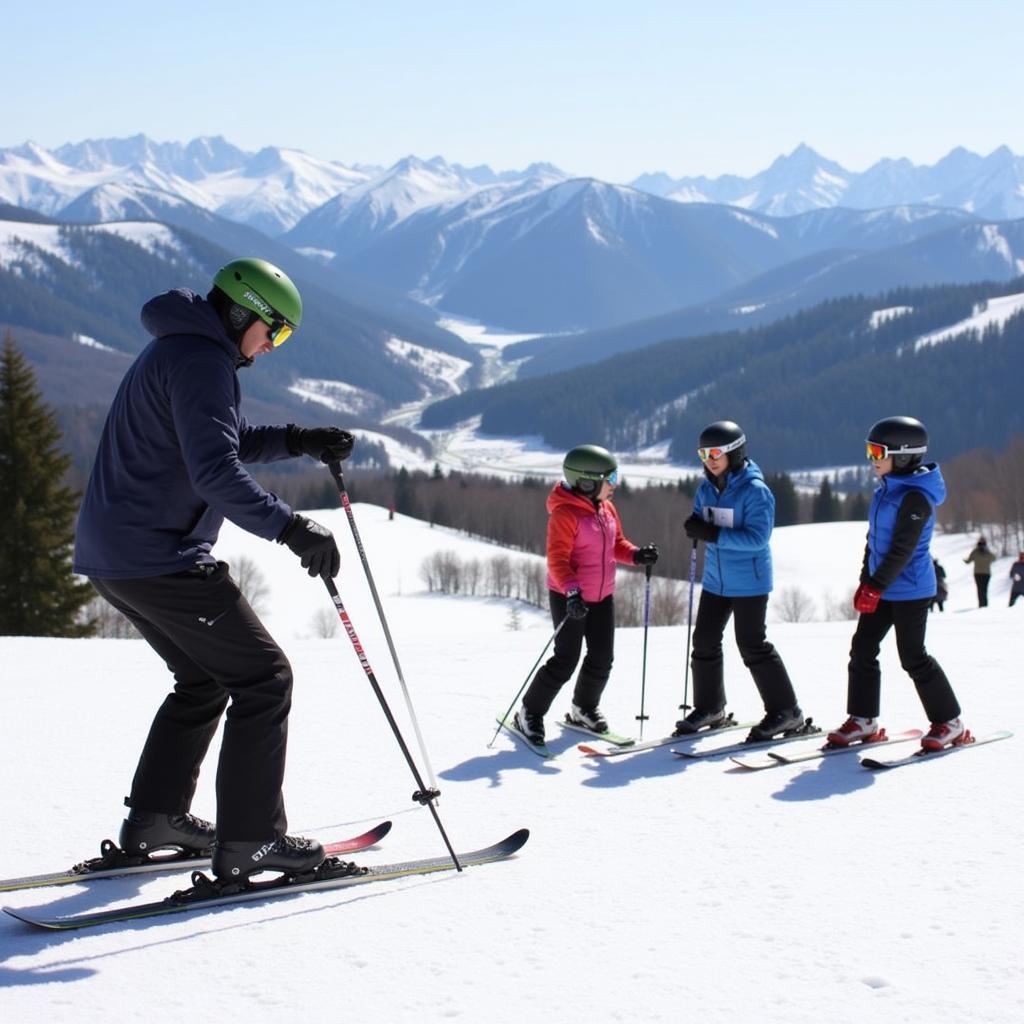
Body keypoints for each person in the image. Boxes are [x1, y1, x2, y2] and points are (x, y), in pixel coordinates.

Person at [73, 257, 356, 882]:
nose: (271, 346)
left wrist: (297, 438)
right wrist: (291, 526)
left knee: (203, 679)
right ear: (242, 312)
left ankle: (157, 819)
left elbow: (216, 439)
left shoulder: (183, 349)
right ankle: (252, 840)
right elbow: (215, 472)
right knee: (265, 678)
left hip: (116, 557)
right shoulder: (203, 361)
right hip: (159, 557)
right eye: (273, 331)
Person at [828, 416, 968, 752]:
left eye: (878, 452)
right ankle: (863, 719)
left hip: (911, 590)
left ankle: (950, 723)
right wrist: (866, 581)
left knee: (913, 656)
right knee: (862, 649)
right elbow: (873, 542)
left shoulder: (915, 499)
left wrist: (876, 585)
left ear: (903, 455)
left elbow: (902, 551)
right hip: (883, 585)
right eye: (870, 451)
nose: (872, 459)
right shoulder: (886, 491)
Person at [513, 445, 658, 744]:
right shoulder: (565, 515)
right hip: (571, 597)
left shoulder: (605, 509)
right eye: (611, 477)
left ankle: (584, 708)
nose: (615, 484)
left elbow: (617, 544)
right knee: (566, 659)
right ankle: (528, 712)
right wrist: (572, 593)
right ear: (587, 482)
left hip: (603, 595)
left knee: (602, 657)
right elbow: (557, 560)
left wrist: (637, 555)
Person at [674, 421, 806, 741]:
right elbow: (702, 522)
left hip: (750, 581)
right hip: (716, 580)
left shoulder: (755, 491)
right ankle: (710, 707)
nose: (709, 459)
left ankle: (786, 711)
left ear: (734, 452)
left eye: (716, 452)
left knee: (752, 645)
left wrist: (713, 534)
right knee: (704, 641)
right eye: (703, 453)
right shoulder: (706, 488)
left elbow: (758, 538)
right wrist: (696, 527)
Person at [964, 537, 996, 607]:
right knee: (984, 589)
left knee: (980, 589)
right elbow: (994, 558)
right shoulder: (986, 552)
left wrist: (965, 560)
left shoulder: (975, 551)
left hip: (978, 573)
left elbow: (968, 561)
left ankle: (982, 604)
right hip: (986, 573)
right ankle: (984, 604)